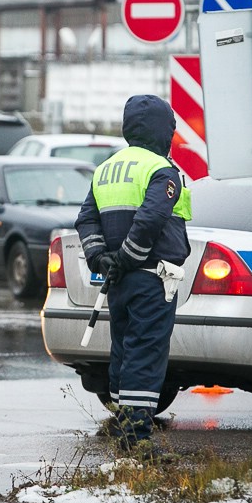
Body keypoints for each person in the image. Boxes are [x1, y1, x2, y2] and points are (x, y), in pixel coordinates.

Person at [75, 94, 192, 456]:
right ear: (162, 130)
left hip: (121, 282)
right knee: (146, 351)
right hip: (152, 277)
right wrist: (127, 256)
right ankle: (137, 439)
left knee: (124, 351)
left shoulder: (106, 168)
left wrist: (100, 258)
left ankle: (125, 424)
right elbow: (152, 218)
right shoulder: (161, 169)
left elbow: (86, 219)